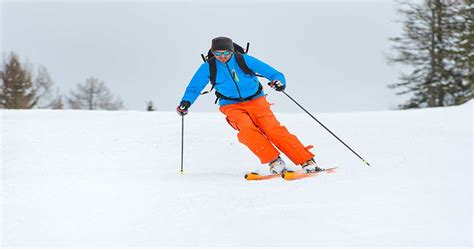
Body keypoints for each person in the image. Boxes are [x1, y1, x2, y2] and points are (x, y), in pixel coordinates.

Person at [177, 36, 323, 174]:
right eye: (218, 53)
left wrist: (279, 82)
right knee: (247, 130)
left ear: (232, 50)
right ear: (212, 52)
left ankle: (306, 160)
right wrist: (185, 103)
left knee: (271, 129)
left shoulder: (244, 60)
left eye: (226, 52)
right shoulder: (208, 67)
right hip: (231, 104)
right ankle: (274, 162)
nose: (222, 56)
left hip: (256, 100)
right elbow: (194, 87)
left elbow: (273, 73)